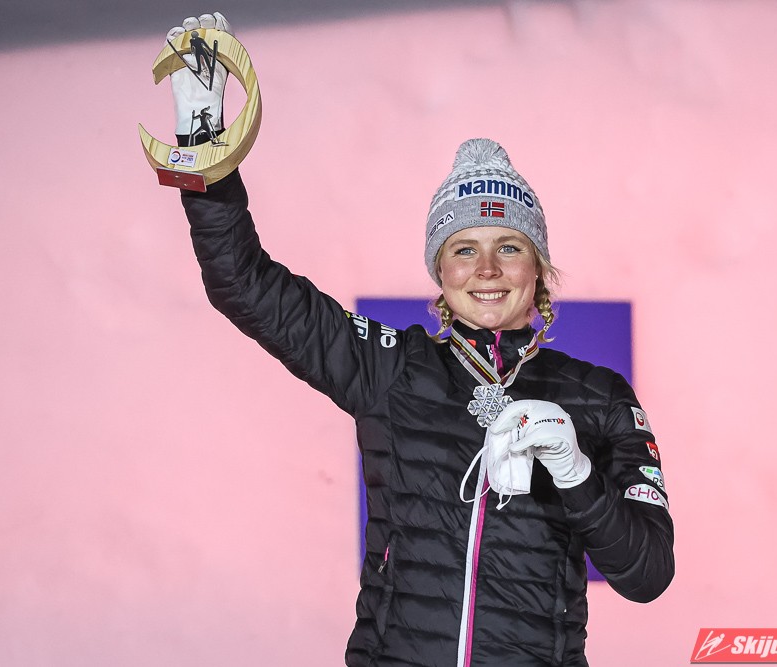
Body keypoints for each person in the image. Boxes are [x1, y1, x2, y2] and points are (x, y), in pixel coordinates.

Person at [167, 13, 674, 666]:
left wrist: (576, 471)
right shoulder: (392, 368)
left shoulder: (599, 396)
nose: (486, 270)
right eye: (463, 249)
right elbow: (243, 284)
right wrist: (204, 157)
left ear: (538, 267)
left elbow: (648, 573)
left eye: (509, 246)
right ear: (440, 269)